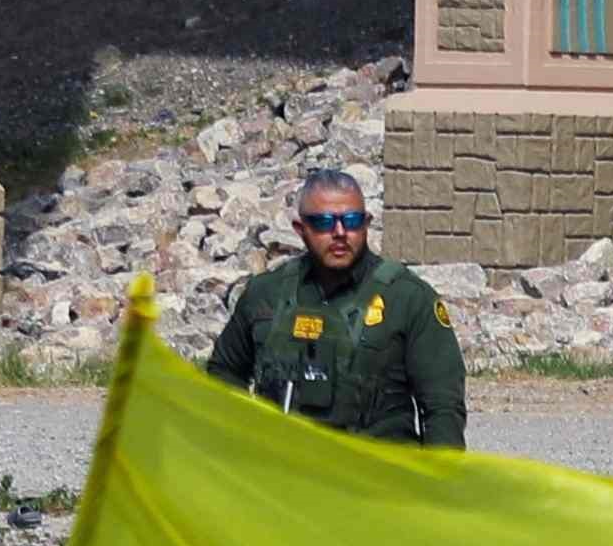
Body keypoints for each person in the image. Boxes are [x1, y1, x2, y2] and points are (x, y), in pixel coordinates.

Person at [199, 172, 465, 449]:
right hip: (282, 477)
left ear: (367, 224)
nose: (339, 233)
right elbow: (224, 372)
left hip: (376, 480)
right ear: (300, 229)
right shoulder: (266, 294)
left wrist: (439, 482)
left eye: (351, 221)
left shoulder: (407, 298)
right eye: (324, 223)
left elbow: (443, 407)